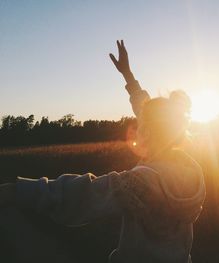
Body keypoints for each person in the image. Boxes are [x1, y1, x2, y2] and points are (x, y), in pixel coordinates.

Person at [0, 40, 206, 263]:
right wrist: (127, 75)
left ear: (148, 131)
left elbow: (83, 194)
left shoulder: (141, 182)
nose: (138, 127)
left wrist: (17, 191)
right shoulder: (190, 170)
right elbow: (148, 110)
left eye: (142, 124)